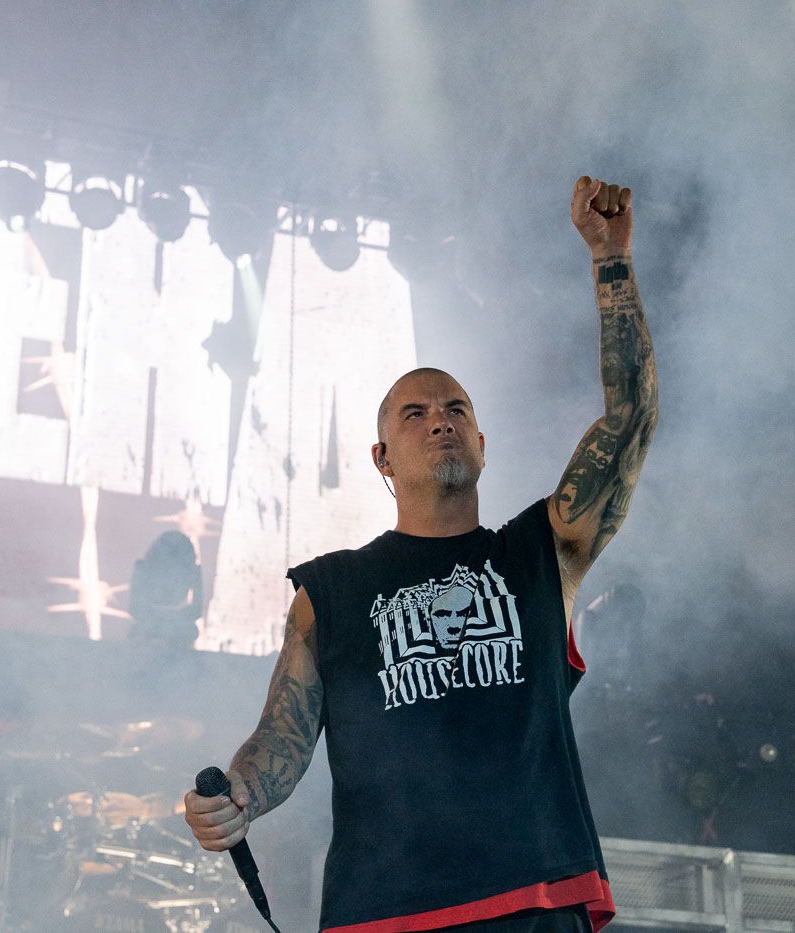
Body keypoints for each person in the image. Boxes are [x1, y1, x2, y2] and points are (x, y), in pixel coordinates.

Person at [184, 176, 657, 932]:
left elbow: (630, 419)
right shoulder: (332, 592)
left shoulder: (541, 553)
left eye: (455, 409)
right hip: (387, 914)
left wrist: (611, 258)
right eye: (416, 412)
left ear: (480, 442)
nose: (439, 420)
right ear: (381, 457)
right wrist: (238, 793)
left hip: (534, 902)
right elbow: (284, 731)